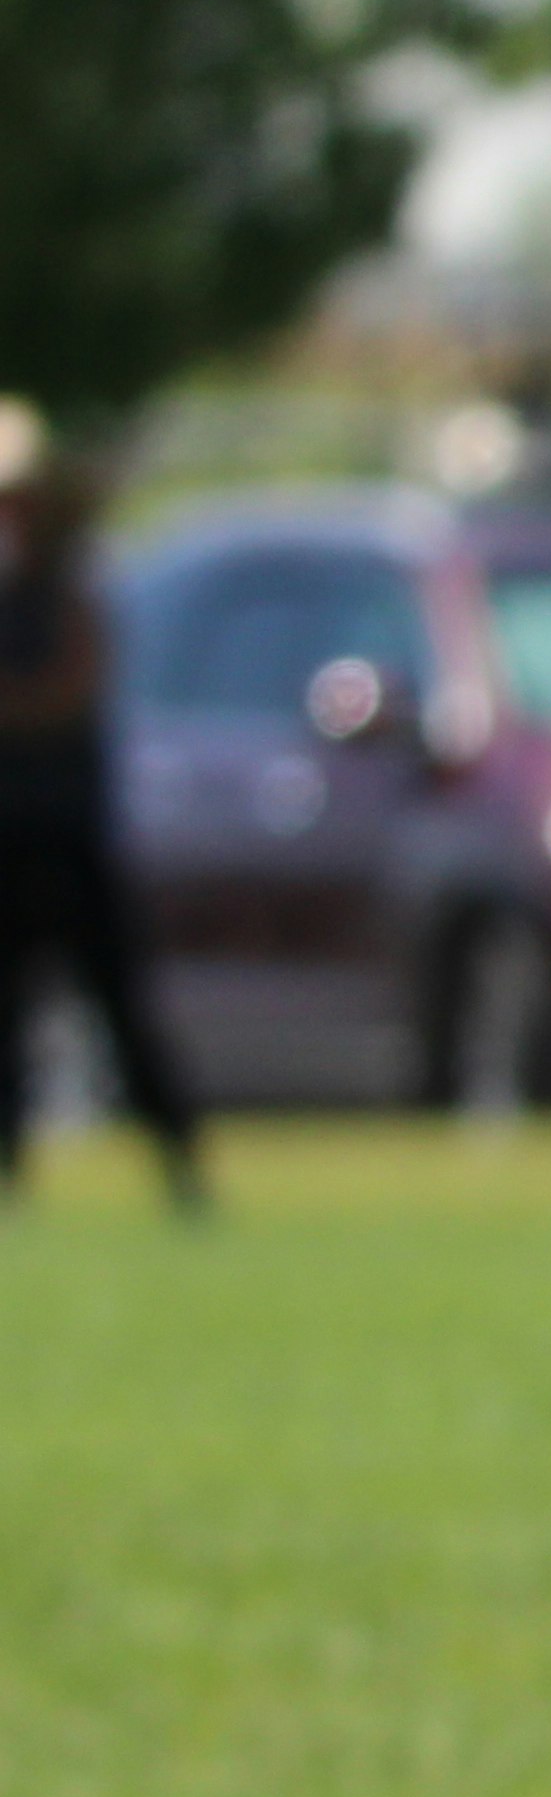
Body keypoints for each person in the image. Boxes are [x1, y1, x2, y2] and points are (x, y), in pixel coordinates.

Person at [0, 406, 212, 1220]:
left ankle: (179, 1162)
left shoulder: (69, 594)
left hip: (68, 838)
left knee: (120, 1010)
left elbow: (72, 687)